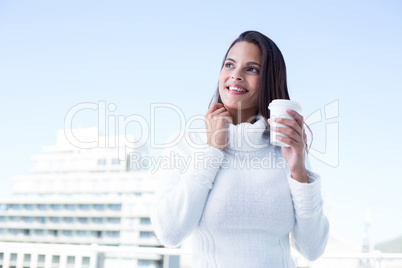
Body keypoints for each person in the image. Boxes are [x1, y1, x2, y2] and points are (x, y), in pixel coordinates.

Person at [151, 30, 329, 268]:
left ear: (269, 80)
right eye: (229, 64)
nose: (235, 75)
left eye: (252, 69)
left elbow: (313, 249)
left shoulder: (287, 149)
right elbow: (169, 233)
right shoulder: (184, 144)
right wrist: (212, 150)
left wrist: (298, 170)